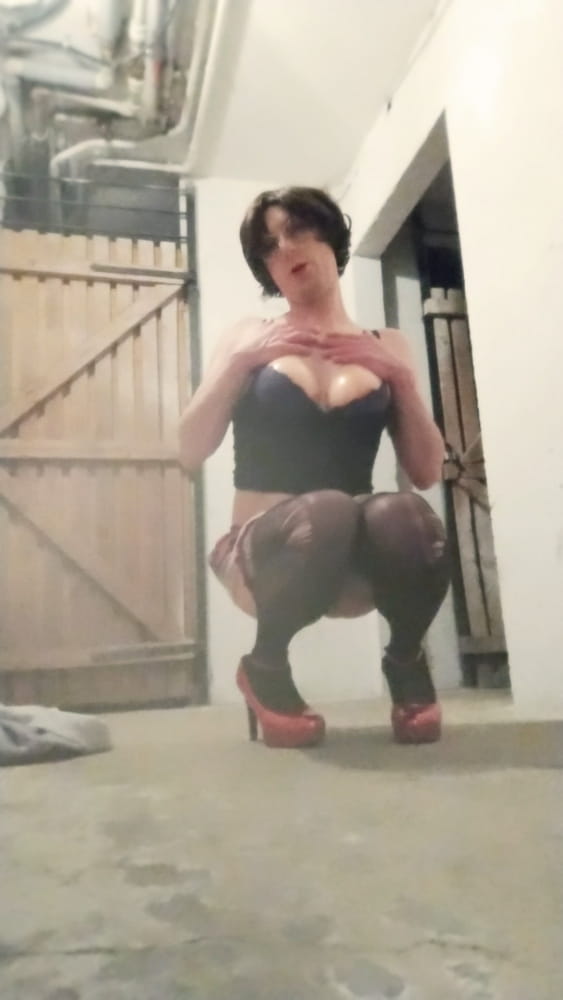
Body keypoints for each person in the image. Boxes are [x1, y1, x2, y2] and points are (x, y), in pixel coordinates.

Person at [179, 186, 450, 749]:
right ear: (265, 268)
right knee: (327, 509)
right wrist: (242, 362)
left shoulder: (387, 344)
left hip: (352, 557)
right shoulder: (250, 335)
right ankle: (265, 665)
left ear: (329, 237)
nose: (285, 249)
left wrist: (399, 377)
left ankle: (405, 658)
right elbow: (188, 450)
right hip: (265, 555)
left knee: (407, 513)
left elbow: (426, 471)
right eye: (269, 245)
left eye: (297, 230)